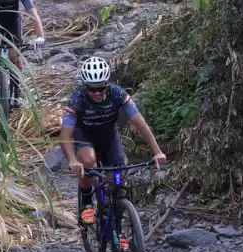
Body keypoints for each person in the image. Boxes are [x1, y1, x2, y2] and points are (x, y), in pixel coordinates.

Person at [59, 56, 167, 226]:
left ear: (106, 85)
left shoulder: (117, 94)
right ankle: (86, 201)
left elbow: (140, 124)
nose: (96, 93)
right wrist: (73, 160)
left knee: (118, 181)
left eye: (100, 89)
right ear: (85, 86)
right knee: (88, 161)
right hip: (84, 135)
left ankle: (117, 229)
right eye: (91, 89)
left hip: (109, 135)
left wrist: (157, 151)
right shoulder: (77, 98)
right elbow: (65, 135)